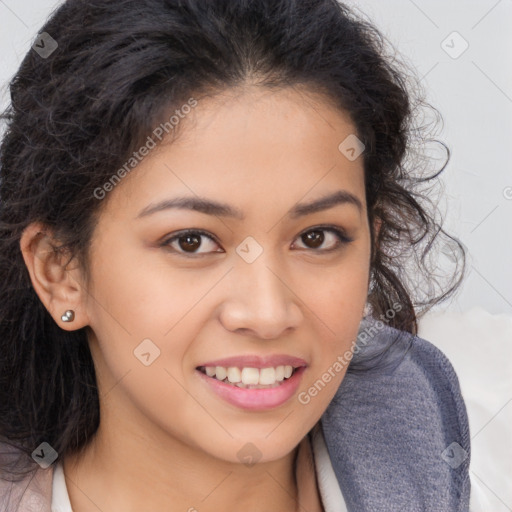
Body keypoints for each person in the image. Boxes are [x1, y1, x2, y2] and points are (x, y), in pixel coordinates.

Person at [0, 0, 471, 510]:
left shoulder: (417, 423)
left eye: (317, 238)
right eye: (191, 242)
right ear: (59, 270)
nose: (268, 314)